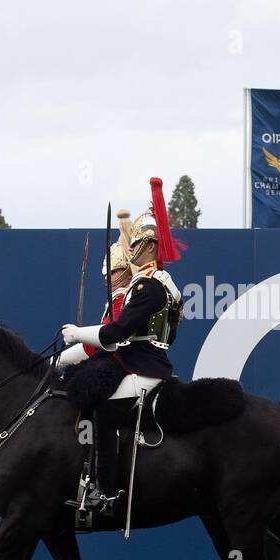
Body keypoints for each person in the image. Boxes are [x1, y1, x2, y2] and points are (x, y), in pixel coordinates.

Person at [60, 178, 183, 516]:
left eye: (139, 247)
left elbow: (113, 335)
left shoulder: (148, 287)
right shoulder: (153, 283)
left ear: (152, 247)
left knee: (103, 408)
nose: (133, 253)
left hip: (143, 366)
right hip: (140, 360)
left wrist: (77, 334)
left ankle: (107, 490)